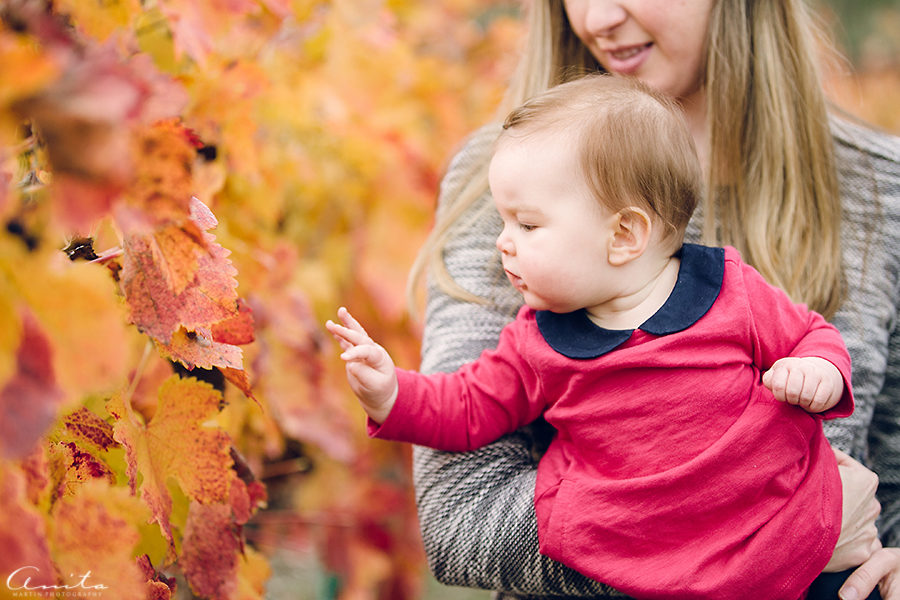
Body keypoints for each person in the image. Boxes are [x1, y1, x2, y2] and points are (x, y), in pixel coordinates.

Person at [402, 1, 900, 599]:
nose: (598, 17)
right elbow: (461, 519)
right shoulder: (511, 186)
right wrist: (789, 537)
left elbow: (889, 481)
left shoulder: (880, 188)